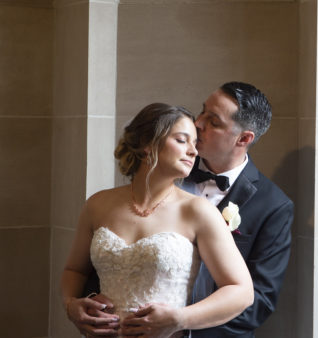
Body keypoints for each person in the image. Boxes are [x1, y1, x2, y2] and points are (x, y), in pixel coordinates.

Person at [60, 103, 254, 337]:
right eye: (182, 141)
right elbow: (74, 270)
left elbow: (242, 291)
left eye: (194, 143)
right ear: (146, 145)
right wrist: (72, 305)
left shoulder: (198, 211)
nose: (193, 151)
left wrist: (179, 319)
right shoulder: (97, 205)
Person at [181, 81, 294, 337]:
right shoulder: (170, 172)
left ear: (243, 138)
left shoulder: (274, 206)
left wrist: (181, 324)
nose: (197, 123)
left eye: (214, 121)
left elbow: (259, 302)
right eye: (202, 112)